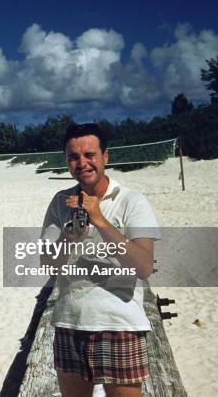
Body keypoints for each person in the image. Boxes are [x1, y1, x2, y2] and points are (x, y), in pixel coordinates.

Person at [41, 123, 160, 397]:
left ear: (105, 156)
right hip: (70, 321)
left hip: (119, 324)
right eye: (74, 157)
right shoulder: (60, 202)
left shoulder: (131, 200)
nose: (82, 163)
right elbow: (48, 264)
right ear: (66, 162)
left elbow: (144, 268)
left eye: (90, 155)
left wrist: (100, 221)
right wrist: (69, 239)